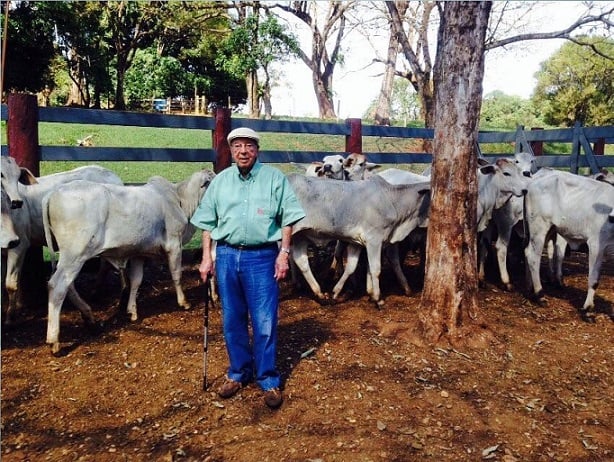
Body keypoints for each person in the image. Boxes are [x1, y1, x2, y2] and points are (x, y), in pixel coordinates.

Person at [190, 127, 305, 409]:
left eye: (249, 146)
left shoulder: (274, 179)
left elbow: (288, 218)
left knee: (265, 322)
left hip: (262, 257)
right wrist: (207, 258)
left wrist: (284, 253)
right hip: (227, 255)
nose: (243, 151)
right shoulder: (221, 182)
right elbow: (207, 223)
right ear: (230, 151)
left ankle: (268, 379)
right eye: (237, 146)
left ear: (257, 150)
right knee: (232, 319)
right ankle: (239, 372)